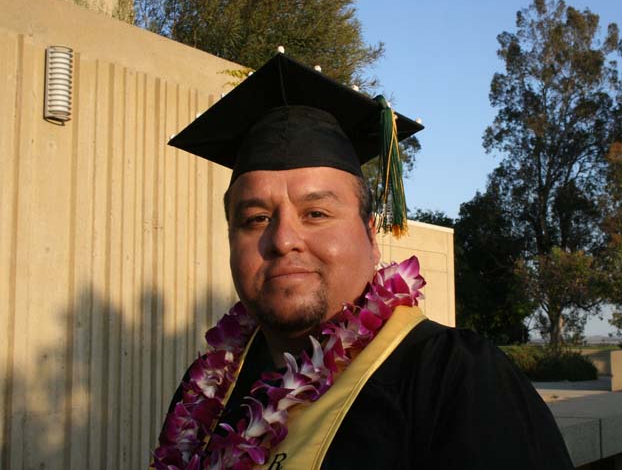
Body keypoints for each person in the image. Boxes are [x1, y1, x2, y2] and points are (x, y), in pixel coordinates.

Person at [151, 52, 574, 470]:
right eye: (255, 218)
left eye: (316, 213)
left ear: (371, 236)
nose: (282, 239)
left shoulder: (454, 379)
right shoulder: (206, 391)